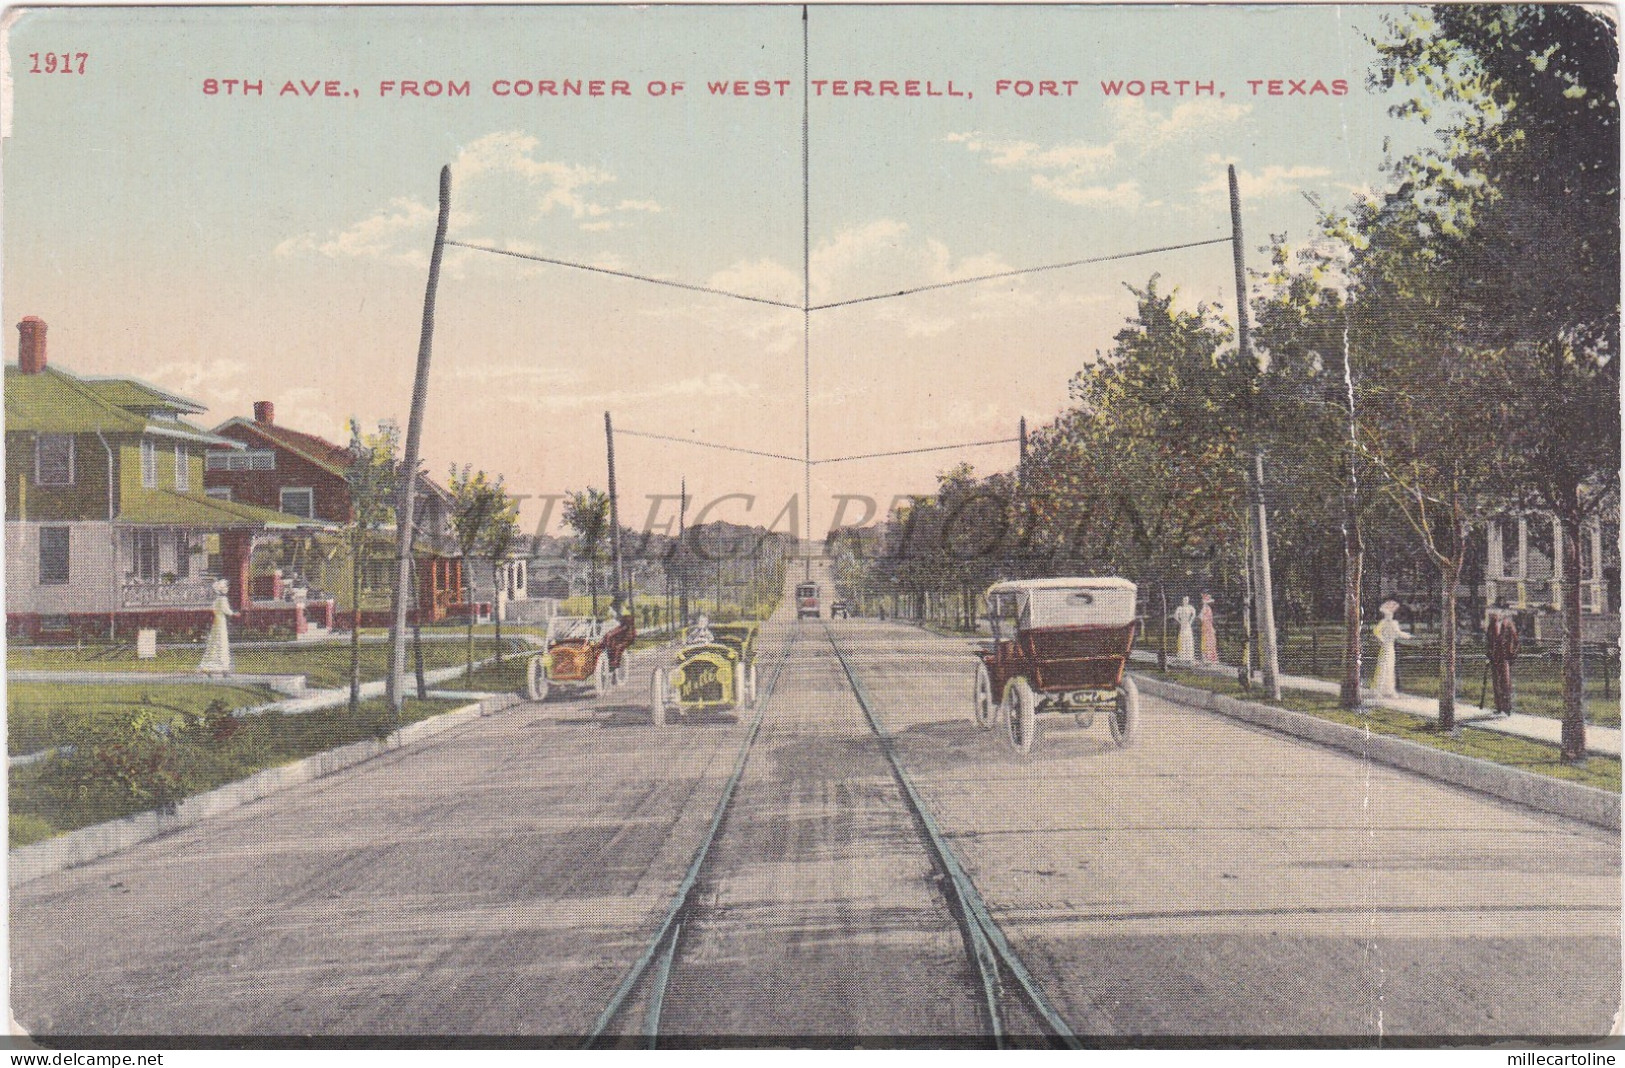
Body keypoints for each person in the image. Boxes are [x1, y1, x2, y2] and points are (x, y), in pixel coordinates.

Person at [1371, 599, 1412, 699]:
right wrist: (1382, 639)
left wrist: (1407, 636)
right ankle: (1379, 690)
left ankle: (1389, 690)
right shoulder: (1383, 622)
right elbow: (1376, 632)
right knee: (1383, 667)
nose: (1389, 615)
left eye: (1391, 613)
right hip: (1385, 647)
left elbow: (1398, 633)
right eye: (1387, 614)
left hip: (1390, 647)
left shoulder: (1394, 623)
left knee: (1390, 668)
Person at [1486, 609, 1520, 717]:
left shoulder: (1509, 625)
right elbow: (1488, 641)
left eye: (1497, 612)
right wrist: (1488, 655)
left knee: (1506, 682)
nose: (1495, 615)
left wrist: (1512, 655)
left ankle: (1507, 708)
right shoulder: (1491, 626)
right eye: (1494, 613)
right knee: (1496, 683)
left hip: (1505, 658)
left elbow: (1516, 641)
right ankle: (1498, 707)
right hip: (1494, 658)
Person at [197, 579, 235, 676]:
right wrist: (234, 614)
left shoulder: (216, 600)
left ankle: (208, 667)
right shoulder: (223, 600)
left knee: (214, 644)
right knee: (222, 644)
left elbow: (215, 610)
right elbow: (226, 610)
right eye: (226, 587)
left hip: (216, 623)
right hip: (221, 623)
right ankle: (223, 669)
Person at [1173, 596, 1197, 664]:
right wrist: (1180, 621)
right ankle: (1182, 657)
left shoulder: (1190, 607)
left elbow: (1194, 613)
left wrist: (1191, 621)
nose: (1185, 601)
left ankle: (1189, 657)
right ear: (1182, 600)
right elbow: (1175, 616)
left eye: (1186, 600)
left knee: (1189, 640)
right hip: (1183, 625)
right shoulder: (1180, 608)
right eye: (1184, 600)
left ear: (1188, 600)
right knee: (1182, 640)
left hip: (1188, 625)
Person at [1198, 593, 1219, 664]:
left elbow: (1205, 618)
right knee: (1207, 641)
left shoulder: (1207, 608)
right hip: (1206, 626)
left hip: (1208, 626)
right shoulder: (1205, 608)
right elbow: (1201, 617)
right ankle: (1207, 658)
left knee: (1209, 641)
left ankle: (1209, 658)